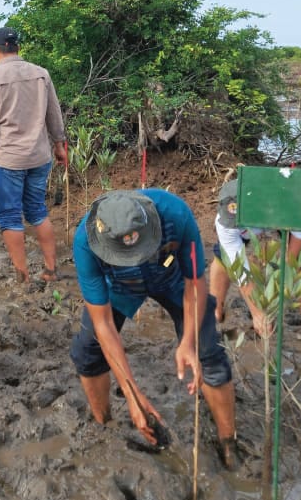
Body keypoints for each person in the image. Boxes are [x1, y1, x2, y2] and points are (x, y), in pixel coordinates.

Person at [70, 189, 238, 468]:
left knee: (208, 349)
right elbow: (103, 323)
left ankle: (228, 442)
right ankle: (104, 424)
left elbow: (195, 284)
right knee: (88, 350)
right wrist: (134, 395)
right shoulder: (85, 242)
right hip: (120, 287)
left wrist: (187, 342)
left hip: (170, 279)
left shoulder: (177, 214)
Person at [0, 26, 68, 284]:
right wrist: (60, 144)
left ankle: (23, 277)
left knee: (9, 216)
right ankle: (50, 270)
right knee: (38, 209)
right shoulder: (41, 74)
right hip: (39, 156)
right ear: (17, 47)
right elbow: (54, 112)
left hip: (8, 160)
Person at [208, 178, 301, 335]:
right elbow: (240, 271)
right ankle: (215, 313)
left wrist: (280, 290)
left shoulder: (295, 209)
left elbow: (291, 260)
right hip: (258, 218)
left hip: (284, 215)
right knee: (223, 260)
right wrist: (258, 313)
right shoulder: (225, 224)